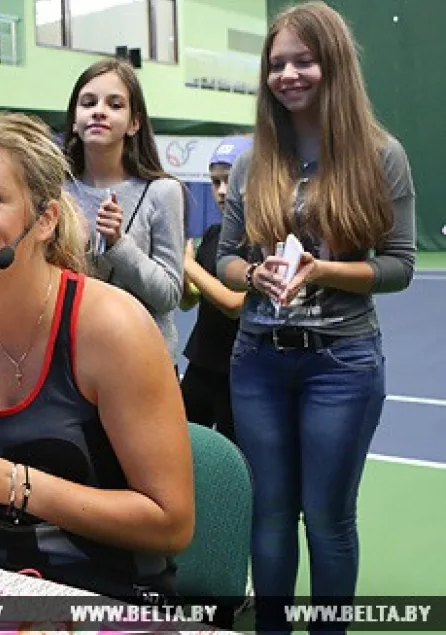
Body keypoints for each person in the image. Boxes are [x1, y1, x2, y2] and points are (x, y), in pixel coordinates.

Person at [0, 111, 193, 600]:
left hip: (107, 592)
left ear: (44, 219)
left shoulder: (113, 328)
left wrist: (15, 485)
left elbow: (171, 525)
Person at [216, 3, 415, 630]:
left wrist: (324, 271)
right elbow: (224, 258)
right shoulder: (253, 161)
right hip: (257, 363)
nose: (289, 74)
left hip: (343, 364)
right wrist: (253, 275)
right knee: (270, 514)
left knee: (328, 519)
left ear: (334, 65)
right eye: (277, 64)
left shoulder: (382, 157)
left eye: (304, 60)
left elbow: (400, 266)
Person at [62, 58, 185, 354]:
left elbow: (168, 295)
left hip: (142, 358)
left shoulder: (162, 192)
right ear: (75, 121)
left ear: (134, 123)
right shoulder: (57, 192)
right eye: (88, 103)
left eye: (115, 105)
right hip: (76, 358)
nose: (99, 112)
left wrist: (119, 244)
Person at [177, 136, 251, 442]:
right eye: (215, 182)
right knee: (181, 450)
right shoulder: (214, 233)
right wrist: (184, 279)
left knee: (236, 465)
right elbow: (188, 302)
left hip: (240, 375)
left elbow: (235, 305)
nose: (221, 191)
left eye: (230, 181)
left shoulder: (264, 241)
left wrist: (185, 263)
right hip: (200, 365)